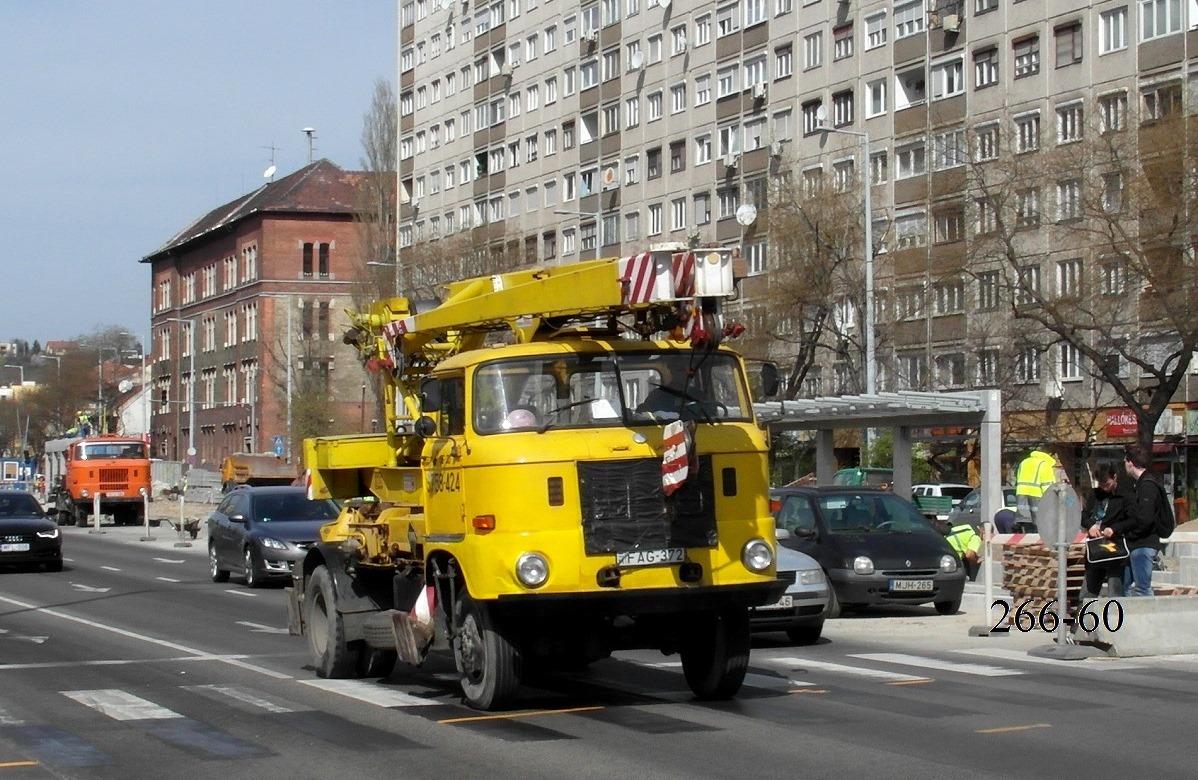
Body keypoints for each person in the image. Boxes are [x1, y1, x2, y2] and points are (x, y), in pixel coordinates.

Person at [1079, 463, 1131, 602]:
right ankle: (1083, 621)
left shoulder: (1125, 495)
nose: (1104, 488)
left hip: (1115, 550)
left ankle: (1115, 621)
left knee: (1115, 592)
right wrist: (1090, 526)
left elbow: (1133, 520)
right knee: (1087, 594)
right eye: (1101, 485)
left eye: (1107, 484)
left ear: (1115, 477)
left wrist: (1115, 529)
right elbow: (1083, 516)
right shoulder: (1094, 495)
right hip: (1095, 550)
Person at [1122, 443, 1165, 597]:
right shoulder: (1142, 484)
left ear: (1131, 463)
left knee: (1142, 589)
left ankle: (1149, 620)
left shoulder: (1147, 486)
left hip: (1143, 545)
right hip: (1138, 545)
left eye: (1125, 462)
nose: (1125, 465)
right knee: (1125, 586)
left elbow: (1145, 519)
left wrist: (1129, 532)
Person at [1014, 447, 1059, 528]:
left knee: (1025, 522)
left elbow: (1018, 478)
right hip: (1037, 496)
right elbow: (1047, 486)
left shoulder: (1024, 462)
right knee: (1040, 524)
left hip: (1021, 495)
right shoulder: (1044, 464)